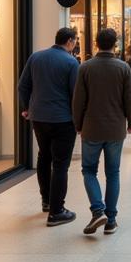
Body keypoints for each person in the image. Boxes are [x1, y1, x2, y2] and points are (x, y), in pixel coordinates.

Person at [72, 28, 131, 235]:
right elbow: (129, 99)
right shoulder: (123, 67)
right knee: (113, 173)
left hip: (91, 127)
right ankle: (111, 219)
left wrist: (78, 124)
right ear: (115, 44)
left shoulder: (86, 67)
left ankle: (97, 210)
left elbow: (78, 100)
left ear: (96, 43)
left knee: (89, 170)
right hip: (115, 128)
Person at [18, 27, 80, 226]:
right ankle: (56, 211)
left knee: (44, 157)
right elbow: (75, 95)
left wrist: (27, 107)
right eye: (75, 41)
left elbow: (23, 85)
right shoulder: (71, 62)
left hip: (39, 118)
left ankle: (46, 200)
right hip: (62, 119)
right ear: (70, 41)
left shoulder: (36, 57)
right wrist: (78, 119)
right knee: (61, 164)